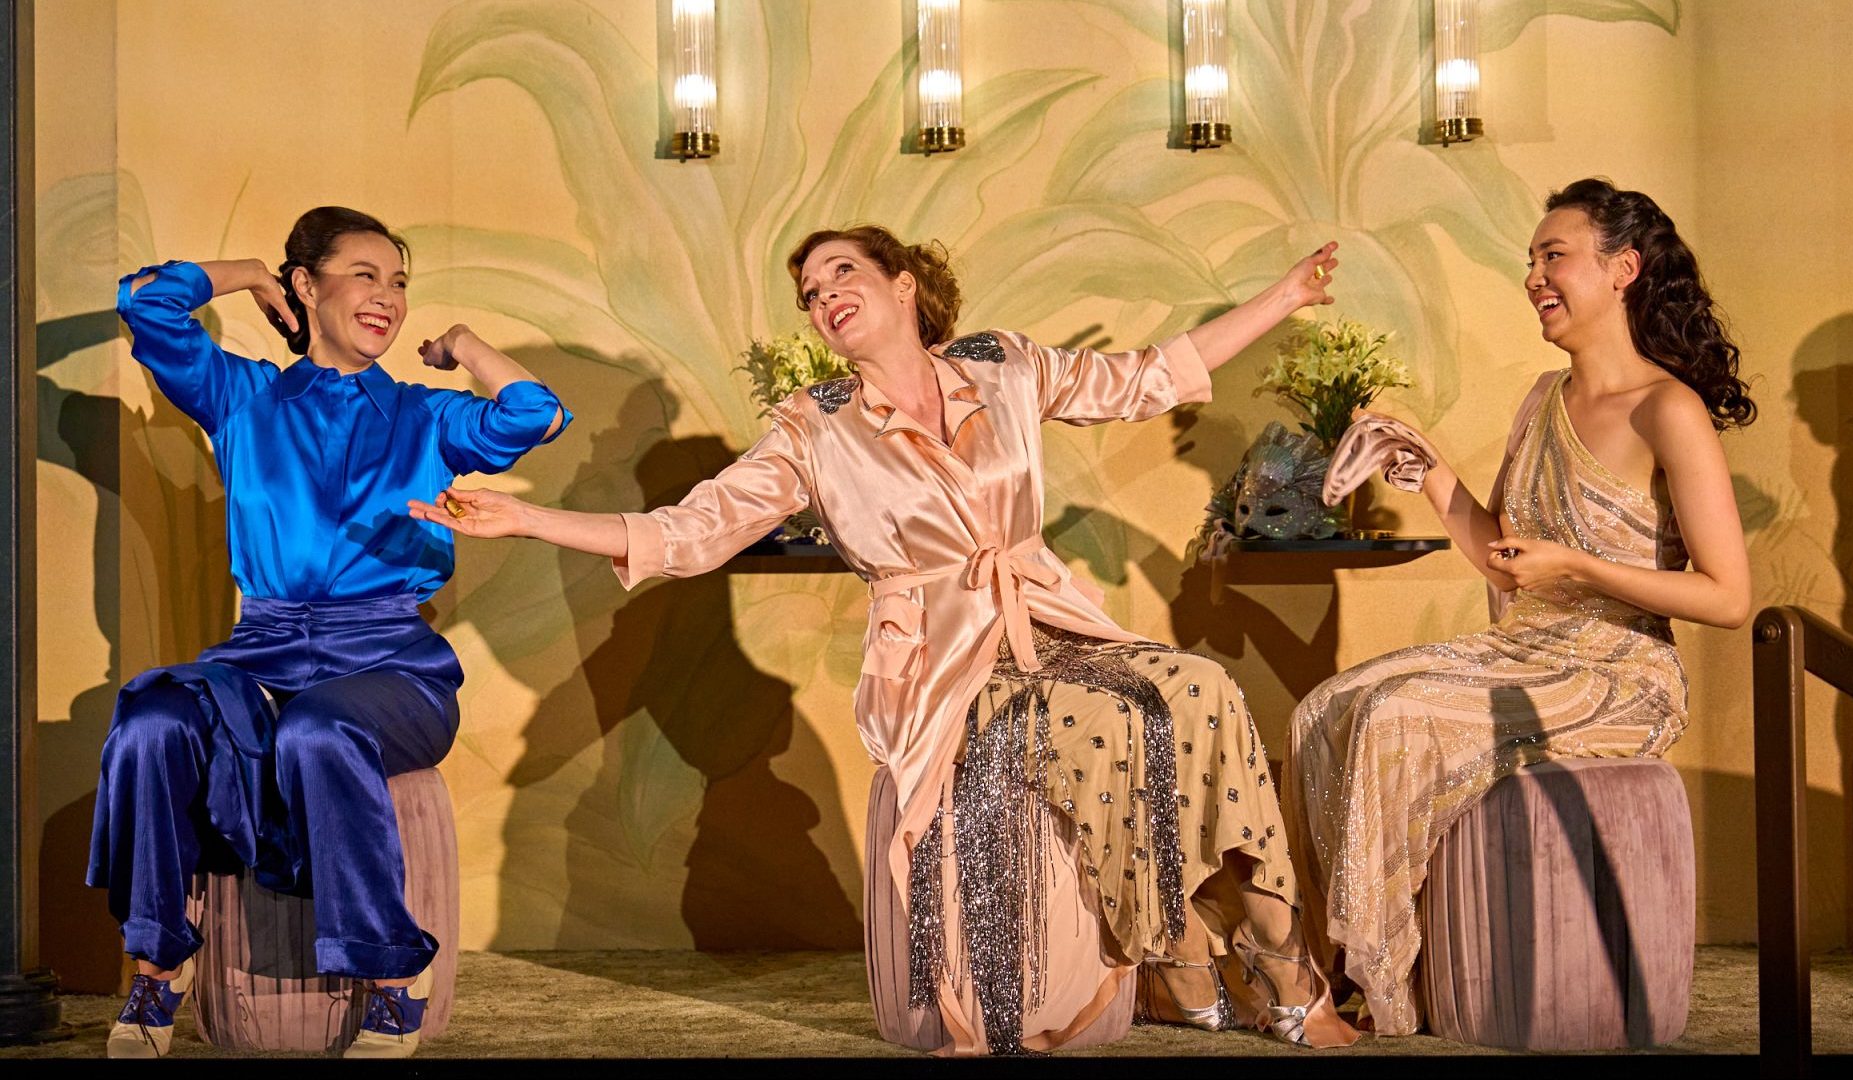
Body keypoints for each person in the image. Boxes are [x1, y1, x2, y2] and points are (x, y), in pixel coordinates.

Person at [408, 225, 1360, 1054]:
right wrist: (531, 522)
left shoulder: (1003, 362)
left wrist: (1285, 296)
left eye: (839, 276)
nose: (824, 299)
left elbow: (1148, 378)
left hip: (1049, 618)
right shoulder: (811, 426)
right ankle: (1183, 958)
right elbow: (688, 532)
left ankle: (1284, 972)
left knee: (1202, 688)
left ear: (904, 285)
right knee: (1101, 721)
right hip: (940, 667)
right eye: (810, 295)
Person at [91, 206, 570, 1058]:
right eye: (363, 275)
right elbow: (146, 304)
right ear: (308, 287)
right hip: (262, 652)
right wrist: (245, 273)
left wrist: (461, 343)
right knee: (152, 721)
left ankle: (392, 982)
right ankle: (158, 968)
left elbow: (535, 413)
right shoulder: (240, 396)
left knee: (320, 728)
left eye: (399, 283)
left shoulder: (426, 416)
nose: (386, 297)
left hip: (393, 664)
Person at [1288, 178, 1754, 1035]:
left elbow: (1727, 597)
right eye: (1531, 260)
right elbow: (1507, 565)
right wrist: (1427, 469)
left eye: (1554, 256)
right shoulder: (1542, 398)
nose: (1534, 275)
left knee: (1395, 715)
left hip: (1620, 673)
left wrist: (1578, 564)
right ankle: (1344, 966)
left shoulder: (1668, 409)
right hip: (1524, 648)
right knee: (1326, 710)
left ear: (1623, 269)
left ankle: (1383, 988)